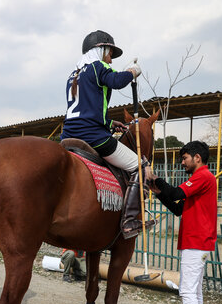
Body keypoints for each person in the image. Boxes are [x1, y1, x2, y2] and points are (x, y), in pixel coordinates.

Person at [61, 30, 153, 239]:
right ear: (100, 50)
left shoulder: (73, 74)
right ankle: (130, 220)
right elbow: (117, 81)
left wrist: (111, 122)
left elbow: (85, 109)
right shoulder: (98, 67)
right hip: (93, 137)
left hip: (68, 136)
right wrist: (132, 71)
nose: (110, 59)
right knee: (140, 166)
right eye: (110, 53)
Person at [145, 141, 217, 304]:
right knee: (193, 290)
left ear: (197, 157)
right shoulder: (200, 179)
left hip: (197, 241)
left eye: (185, 158)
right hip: (196, 241)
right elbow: (178, 208)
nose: (182, 162)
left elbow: (176, 193)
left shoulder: (203, 176)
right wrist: (158, 191)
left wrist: (155, 178)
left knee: (187, 290)